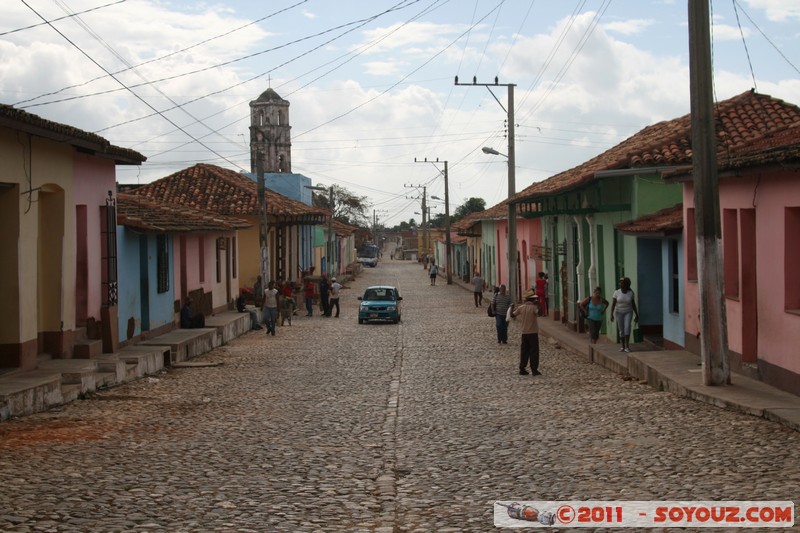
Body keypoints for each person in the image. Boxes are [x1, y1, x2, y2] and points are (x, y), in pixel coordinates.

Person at [511, 289, 541, 375]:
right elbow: (540, 313)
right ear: (533, 299)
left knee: (524, 351)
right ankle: (534, 370)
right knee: (534, 351)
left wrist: (512, 307)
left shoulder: (521, 308)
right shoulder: (534, 308)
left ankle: (522, 368)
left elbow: (512, 315)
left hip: (524, 333)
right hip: (533, 332)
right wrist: (539, 305)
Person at [610, 277, 639, 353]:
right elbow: (613, 304)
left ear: (626, 284)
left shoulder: (631, 293)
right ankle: (622, 346)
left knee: (627, 327)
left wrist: (636, 314)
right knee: (621, 329)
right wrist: (611, 314)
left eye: (622, 283)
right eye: (620, 283)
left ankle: (627, 346)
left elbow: (633, 304)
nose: (620, 284)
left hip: (628, 312)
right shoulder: (616, 292)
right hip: (619, 312)